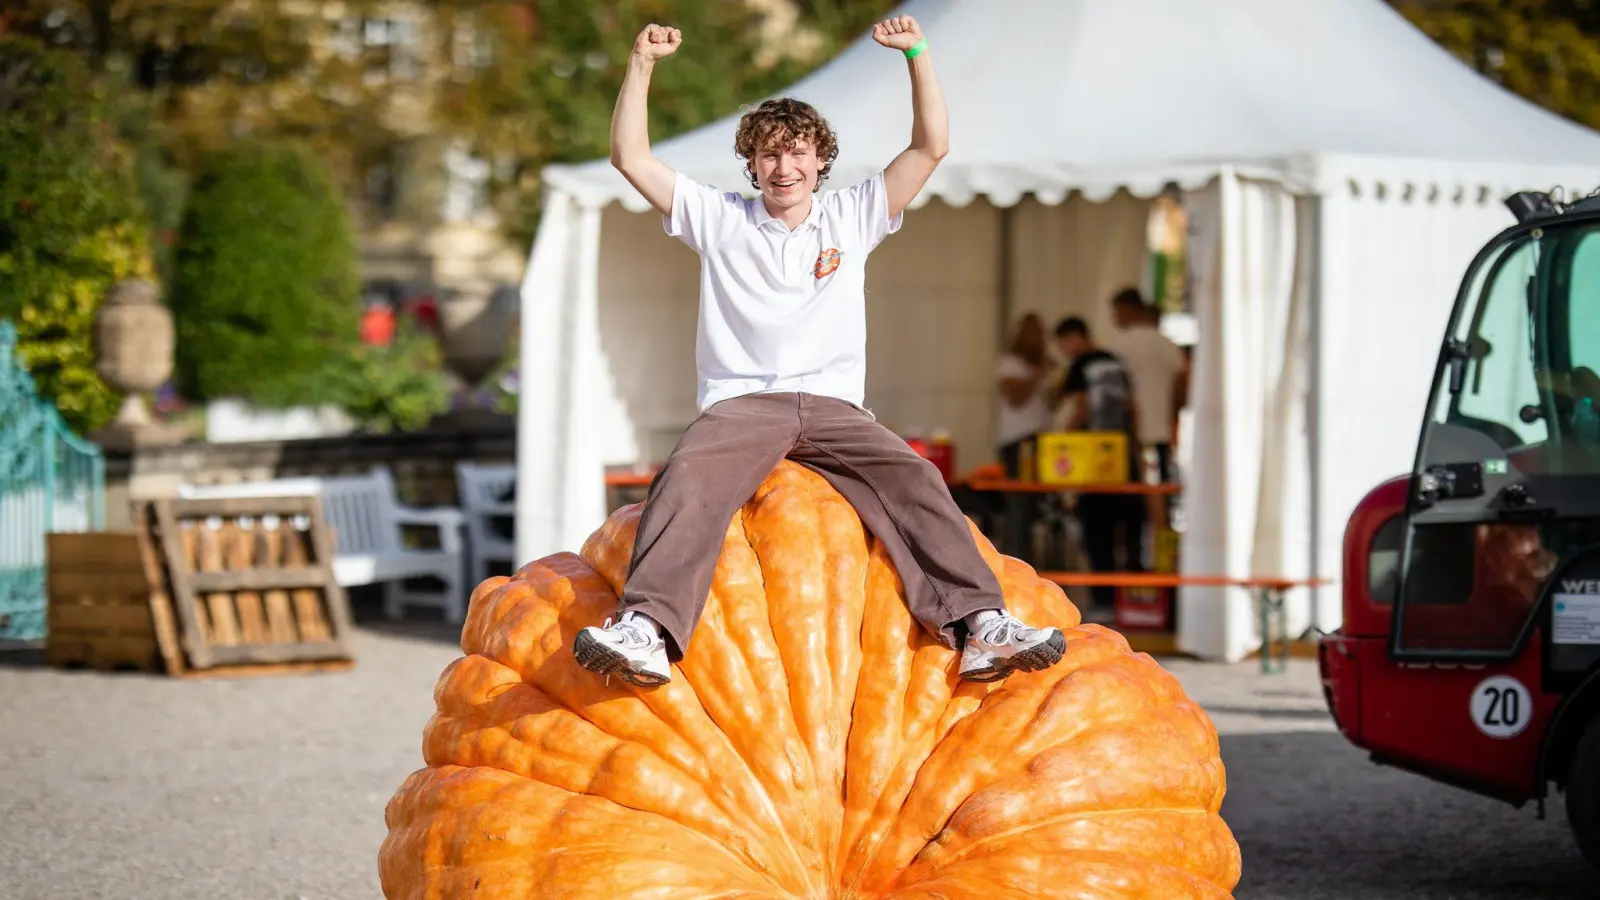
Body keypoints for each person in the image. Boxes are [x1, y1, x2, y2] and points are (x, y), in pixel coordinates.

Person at [572, 18, 1066, 688]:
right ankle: (647, 631)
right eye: (771, 155)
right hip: (745, 402)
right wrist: (640, 63)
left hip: (834, 407)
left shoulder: (852, 216)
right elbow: (631, 157)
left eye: (798, 153)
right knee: (688, 476)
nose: (785, 167)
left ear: (819, 162)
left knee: (915, 479)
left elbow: (931, 145)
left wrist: (917, 55)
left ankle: (981, 627)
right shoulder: (718, 219)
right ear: (752, 164)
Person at [1052, 316, 1141, 613]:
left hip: (1092, 457)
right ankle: (1132, 601)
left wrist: (1062, 441)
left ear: (1073, 337)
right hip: (1120, 452)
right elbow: (1131, 407)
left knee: (1096, 529)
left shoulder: (1081, 365)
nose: (1064, 351)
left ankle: (1103, 600)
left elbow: (1081, 407)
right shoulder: (1116, 362)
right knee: (1127, 530)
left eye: (1063, 344)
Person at [1102, 288, 1187, 485]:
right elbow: (1181, 384)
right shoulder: (1169, 346)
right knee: (1161, 483)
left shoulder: (1120, 345)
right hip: (1165, 428)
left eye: (1116, 313)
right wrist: (1173, 416)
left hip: (1134, 428)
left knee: (1143, 486)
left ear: (1127, 310)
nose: (1115, 319)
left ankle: (1154, 516)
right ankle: (1160, 516)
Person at [994, 313, 1056, 477]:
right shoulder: (1010, 363)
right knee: (1020, 492)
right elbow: (1015, 398)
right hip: (1018, 438)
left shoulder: (1044, 364)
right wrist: (1036, 375)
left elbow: (1051, 403)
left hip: (1043, 436)